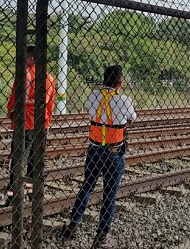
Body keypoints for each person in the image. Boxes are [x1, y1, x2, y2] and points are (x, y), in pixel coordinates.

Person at [59, 65, 136, 249]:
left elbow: (93, 113)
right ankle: (101, 236)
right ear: (120, 82)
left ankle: (74, 224)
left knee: (87, 185)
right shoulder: (124, 100)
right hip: (114, 152)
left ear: (104, 80)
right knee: (109, 194)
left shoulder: (93, 96)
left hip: (94, 150)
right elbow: (132, 118)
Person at [5, 45, 56, 202]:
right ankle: (33, 193)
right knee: (35, 160)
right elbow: (50, 105)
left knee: (19, 159)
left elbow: (13, 101)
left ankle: (14, 195)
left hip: (23, 122)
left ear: (31, 58)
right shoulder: (49, 77)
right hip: (41, 123)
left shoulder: (23, 75)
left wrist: (11, 114)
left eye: (25, 57)